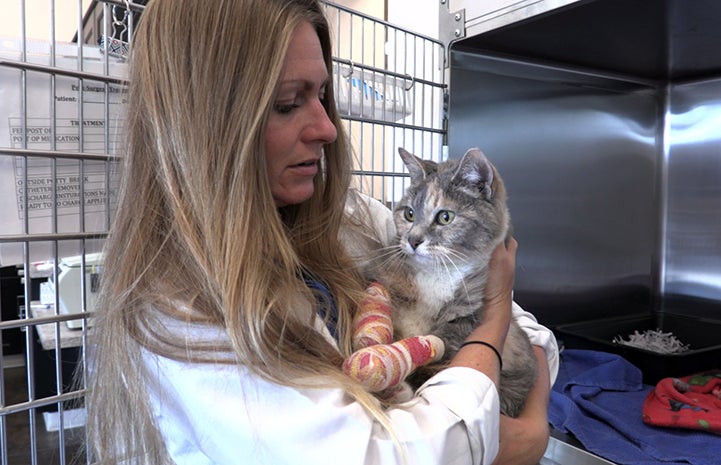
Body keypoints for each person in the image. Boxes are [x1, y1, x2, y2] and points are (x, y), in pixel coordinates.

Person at [85, 0, 559, 464]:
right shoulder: (182, 309)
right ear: (208, 126)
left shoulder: (353, 215)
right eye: (289, 104)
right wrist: (494, 324)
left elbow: (537, 341)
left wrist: (531, 423)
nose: (328, 128)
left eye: (322, 96)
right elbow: (379, 455)